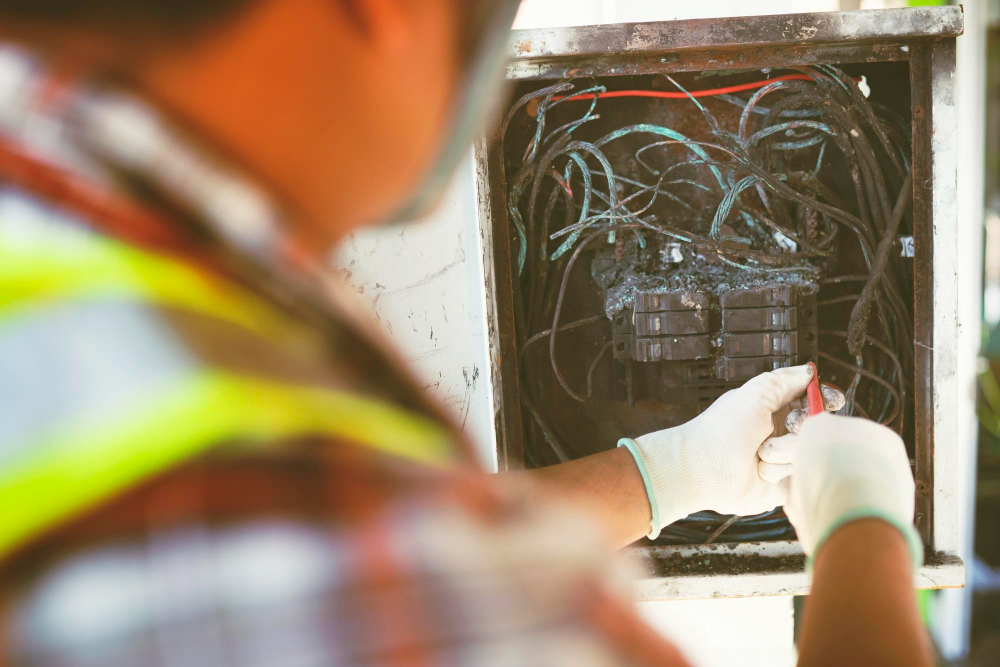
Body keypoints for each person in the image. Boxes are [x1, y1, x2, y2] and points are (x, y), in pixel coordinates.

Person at [0, 1, 933, 665]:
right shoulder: (257, 476)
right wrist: (860, 529)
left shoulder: (59, 223)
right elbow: (393, 568)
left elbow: (410, 545)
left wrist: (676, 469)